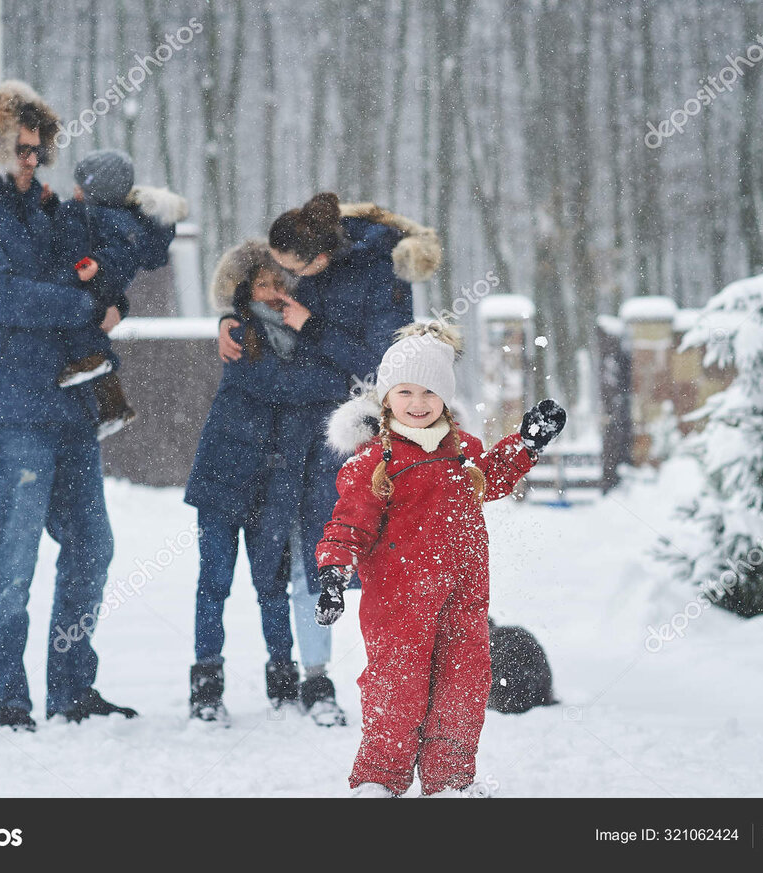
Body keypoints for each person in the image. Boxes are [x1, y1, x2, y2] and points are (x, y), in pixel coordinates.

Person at [0, 80, 136, 731]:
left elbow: (85, 272)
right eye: (20, 149)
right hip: (10, 409)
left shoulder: (42, 213)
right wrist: (84, 307)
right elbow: (1, 297)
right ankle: (7, 700)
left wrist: (109, 295)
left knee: (92, 548)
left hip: (69, 402)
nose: (33, 160)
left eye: (38, 150)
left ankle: (72, 689)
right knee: (14, 559)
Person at [314, 321, 567, 797]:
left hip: (463, 601)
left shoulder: (464, 451)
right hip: (398, 608)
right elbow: (350, 523)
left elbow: (492, 477)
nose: (418, 402)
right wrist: (333, 573)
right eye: (405, 391)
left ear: (445, 397)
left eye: (430, 391)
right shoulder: (373, 461)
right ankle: (379, 782)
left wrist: (526, 442)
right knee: (397, 695)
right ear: (386, 398)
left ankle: (449, 782)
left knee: (462, 692)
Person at [216, 192, 440, 726]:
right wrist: (230, 317)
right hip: (295, 434)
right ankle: (314, 676)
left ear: (320, 258)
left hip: (356, 437)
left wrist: (312, 327)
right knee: (306, 558)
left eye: (295, 272)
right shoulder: (305, 261)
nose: (288, 282)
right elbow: (260, 300)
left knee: (377, 559)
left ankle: (408, 677)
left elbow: (384, 366)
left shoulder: (381, 272)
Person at [184, 241, 349, 724]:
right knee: (214, 584)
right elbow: (284, 385)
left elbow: (316, 380)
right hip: (223, 478)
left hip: (271, 482)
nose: (274, 292)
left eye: (280, 282)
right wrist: (334, 377)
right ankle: (206, 685)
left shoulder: (302, 335)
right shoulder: (240, 333)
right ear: (244, 291)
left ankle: (283, 677)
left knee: (271, 585)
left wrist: (320, 349)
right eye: (262, 284)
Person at [46, 148, 188, 438]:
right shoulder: (124, 220)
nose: (75, 191)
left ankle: (95, 362)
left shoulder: (91, 215)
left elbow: (82, 247)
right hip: (106, 283)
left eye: (81, 186)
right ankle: (114, 406)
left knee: (81, 323)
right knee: (90, 324)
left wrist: (92, 265)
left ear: (97, 191)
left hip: (92, 278)